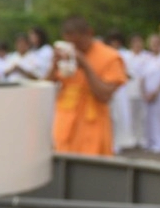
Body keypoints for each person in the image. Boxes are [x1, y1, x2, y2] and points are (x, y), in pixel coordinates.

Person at [50, 19, 126, 155]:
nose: (75, 48)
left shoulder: (110, 57)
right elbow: (46, 86)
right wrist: (53, 65)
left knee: (92, 169)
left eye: (78, 43)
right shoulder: (67, 56)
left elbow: (105, 96)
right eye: (70, 44)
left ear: (89, 33)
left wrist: (85, 66)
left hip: (93, 125)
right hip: (64, 123)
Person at [111, 34, 146, 152]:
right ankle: (125, 140)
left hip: (137, 90)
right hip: (124, 90)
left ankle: (139, 139)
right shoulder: (125, 55)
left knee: (140, 117)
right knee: (122, 116)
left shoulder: (145, 56)